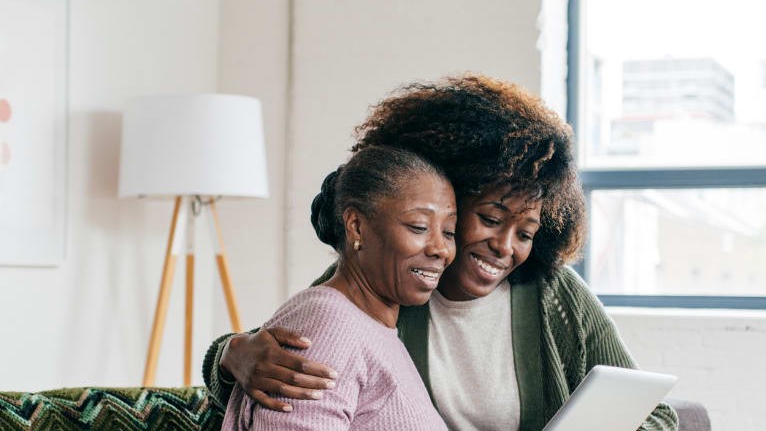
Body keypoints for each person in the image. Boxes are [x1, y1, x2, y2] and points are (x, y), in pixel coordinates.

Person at [205, 75, 679, 431]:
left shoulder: (553, 294)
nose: (504, 246)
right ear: (452, 199)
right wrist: (231, 355)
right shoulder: (389, 282)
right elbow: (292, 352)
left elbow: (655, 416)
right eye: (490, 220)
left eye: (526, 233)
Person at [222, 146, 454, 430]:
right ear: (356, 226)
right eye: (419, 227)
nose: (441, 249)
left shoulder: (374, 327)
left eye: (449, 232)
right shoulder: (330, 325)